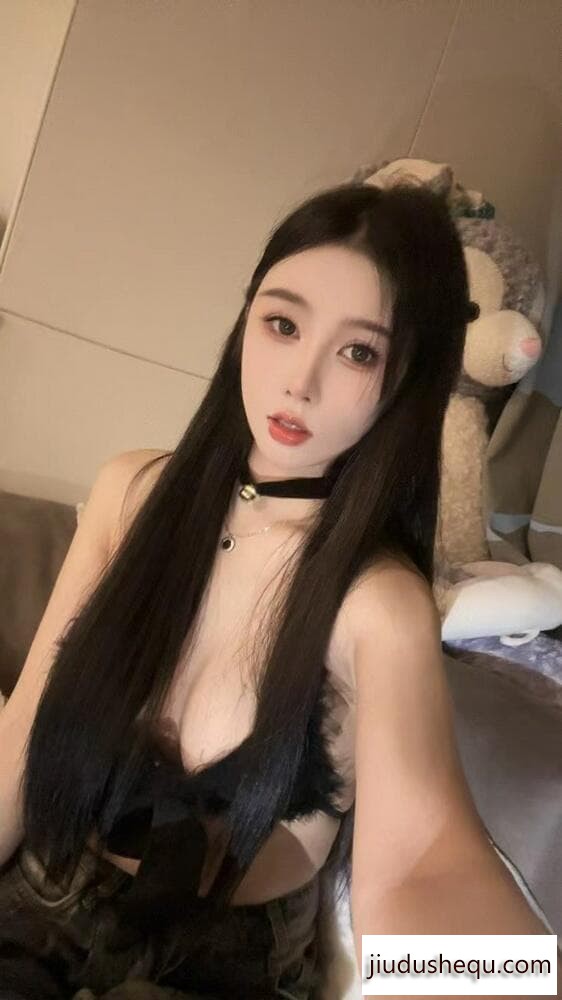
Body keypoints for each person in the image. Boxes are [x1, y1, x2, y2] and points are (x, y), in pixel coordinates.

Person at [0, 181, 558, 1000]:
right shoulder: (131, 494)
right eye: (283, 324)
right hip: (47, 894)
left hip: (221, 963)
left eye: (359, 353)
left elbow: (420, 861)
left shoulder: (377, 601)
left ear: (408, 381)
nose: (299, 381)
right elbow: (23, 732)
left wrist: (516, 980)